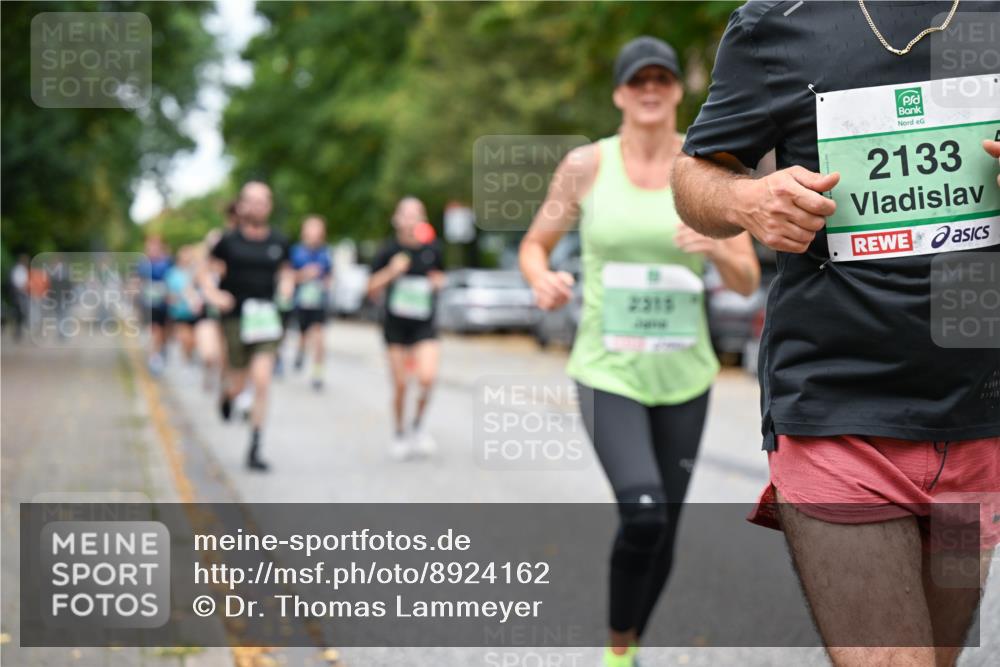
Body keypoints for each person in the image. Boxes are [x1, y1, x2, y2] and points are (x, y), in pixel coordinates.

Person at [670, 3, 1000, 665]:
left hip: (980, 423)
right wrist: (745, 200)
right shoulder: (779, 23)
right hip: (839, 412)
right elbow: (693, 174)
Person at [520, 36, 760, 667]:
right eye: (637, 80)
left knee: (666, 533)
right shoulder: (585, 165)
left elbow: (746, 280)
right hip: (607, 370)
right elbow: (534, 244)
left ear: (679, 90)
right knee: (645, 512)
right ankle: (618, 654)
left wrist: (713, 248)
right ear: (619, 93)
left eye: (661, 78)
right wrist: (541, 278)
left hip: (685, 374)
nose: (649, 89)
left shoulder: (710, 165)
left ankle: (627, 646)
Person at [201, 182, 294, 471]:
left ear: (269, 206)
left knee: (262, 381)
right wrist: (215, 295)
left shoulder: (279, 241)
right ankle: (227, 397)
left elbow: (287, 272)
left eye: (262, 201)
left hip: (266, 319)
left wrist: (287, 289)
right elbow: (204, 272)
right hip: (236, 319)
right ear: (241, 205)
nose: (256, 206)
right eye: (250, 201)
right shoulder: (228, 242)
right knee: (238, 383)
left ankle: (255, 447)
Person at [367, 197, 446, 461]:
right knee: (401, 384)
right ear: (397, 219)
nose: (411, 219)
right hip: (396, 326)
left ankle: (418, 425)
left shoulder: (432, 249)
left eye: (416, 214)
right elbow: (370, 288)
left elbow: (441, 276)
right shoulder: (388, 250)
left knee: (427, 378)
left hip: (424, 323)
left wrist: (438, 283)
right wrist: (391, 272)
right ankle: (399, 432)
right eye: (406, 214)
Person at [290, 215, 333, 391]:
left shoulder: (326, 252)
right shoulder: (295, 251)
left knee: (319, 337)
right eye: (311, 228)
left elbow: (330, 275)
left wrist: (326, 283)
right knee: (302, 335)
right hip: (301, 302)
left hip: (319, 302)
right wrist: (304, 275)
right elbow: (288, 277)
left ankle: (318, 373)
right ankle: (300, 352)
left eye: (317, 228)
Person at [165, 244, 204, 363]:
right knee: (186, 338)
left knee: (194, 340)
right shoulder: (173, 273)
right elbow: (170, 293)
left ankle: (188, 353)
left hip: (197, 312)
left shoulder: (197, 272)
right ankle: (186, 354)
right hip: (181, 312)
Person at [139, 235, 172, 376]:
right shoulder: (143, 263)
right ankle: (154, 357)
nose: (152, 249)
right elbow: (139, 281)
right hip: (149, 303)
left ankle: (161, 350)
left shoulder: (168, 262)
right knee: (155, 329)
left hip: (165, 302)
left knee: (165, 332)